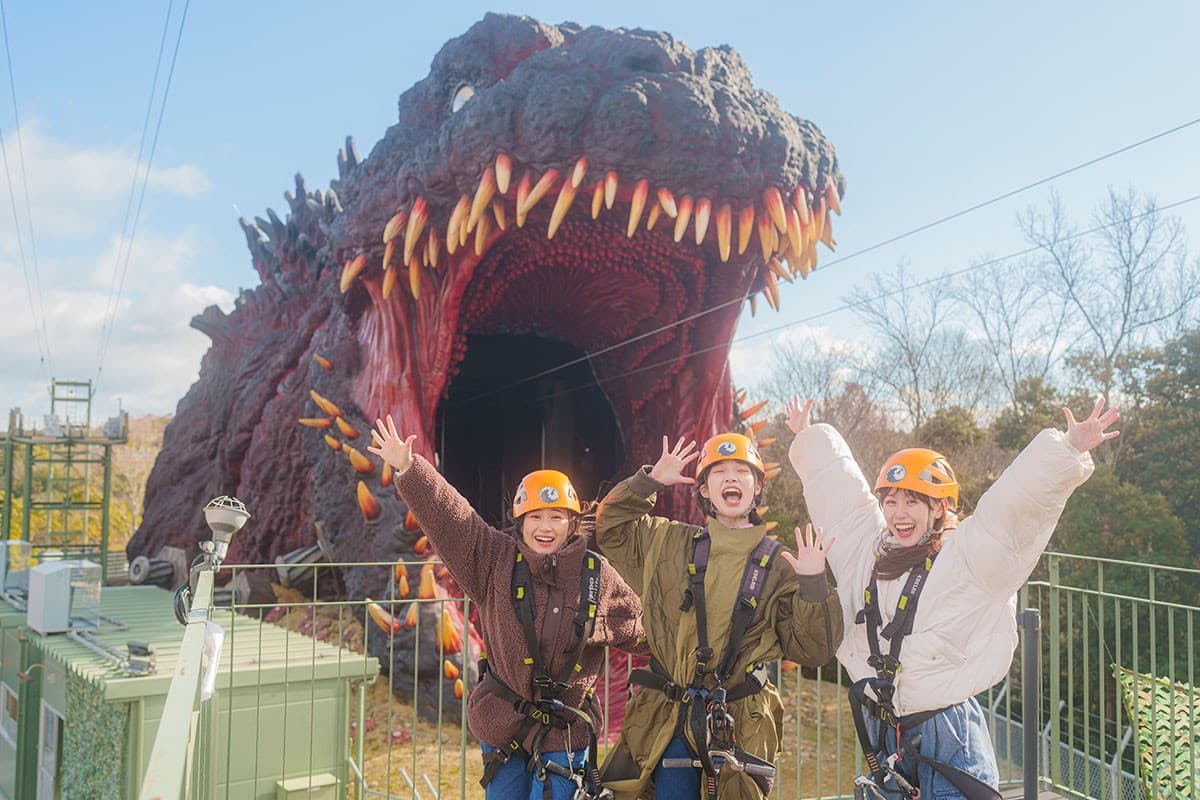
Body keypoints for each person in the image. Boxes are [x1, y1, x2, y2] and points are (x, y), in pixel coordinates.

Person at [784, 397, 1119, 800]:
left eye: (913, 501)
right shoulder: (867, 551)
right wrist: (809, 437)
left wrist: (1067, 449)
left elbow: (1012, 512)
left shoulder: (966, 559)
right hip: (885, 730)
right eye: (891, 501)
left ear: (940, 507)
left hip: (947, 732)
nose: (899, 513)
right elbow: (839, 495)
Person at [368, 415, 646, 800]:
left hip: (566, 733)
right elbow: (453, 518)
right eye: (535, 517)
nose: (544, 527)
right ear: (521, 521)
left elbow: (644, 632)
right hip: (504, 726)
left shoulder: (596, 576)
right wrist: (409, 468)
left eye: (555, 517)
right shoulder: (494, 561)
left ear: (571, 522)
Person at [595, 432, 844, 800]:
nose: (731, 478)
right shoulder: (668, 543)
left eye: (742, 472)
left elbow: (814, 651)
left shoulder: (781, 565)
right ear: (705, 490)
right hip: (670, 718)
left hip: (740, 725)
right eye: (719, 472)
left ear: (757, 487)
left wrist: (812, 586)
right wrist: (647, 482)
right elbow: (610, 528)